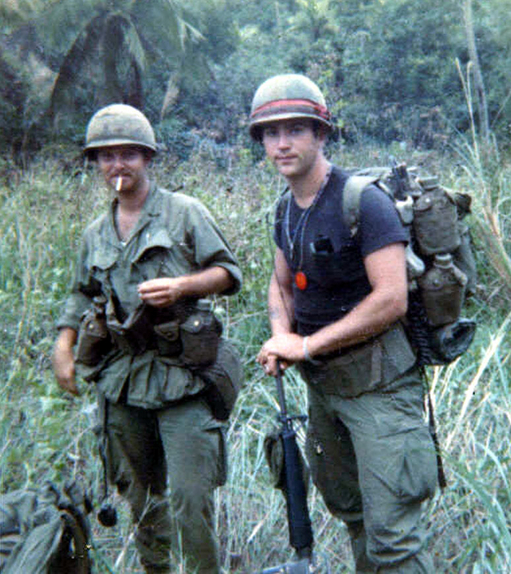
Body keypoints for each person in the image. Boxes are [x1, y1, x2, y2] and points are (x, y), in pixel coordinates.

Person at [253, 74, 438, 572]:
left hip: (380, 390)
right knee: (354, 516)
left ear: (321, 134)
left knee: (393, 540)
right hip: (326, 390)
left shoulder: (363, 203)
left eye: (295, 129)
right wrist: (280, 333)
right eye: (271, 133)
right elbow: (280, 284)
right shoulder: (284, 209)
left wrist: (306, 346)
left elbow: (391, 299)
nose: (282, 143)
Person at [52, 104, 242, 574]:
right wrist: (64, 344)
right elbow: (82, 294)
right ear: (96, 164)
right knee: (141, 498)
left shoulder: (183, 213)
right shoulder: (96, 232)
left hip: (183, 375)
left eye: (128, 155)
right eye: (106, 156)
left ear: (147, 158)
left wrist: (183, 286)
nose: (117, 166)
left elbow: (228, 273)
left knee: (190, 497)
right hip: (125, 379)